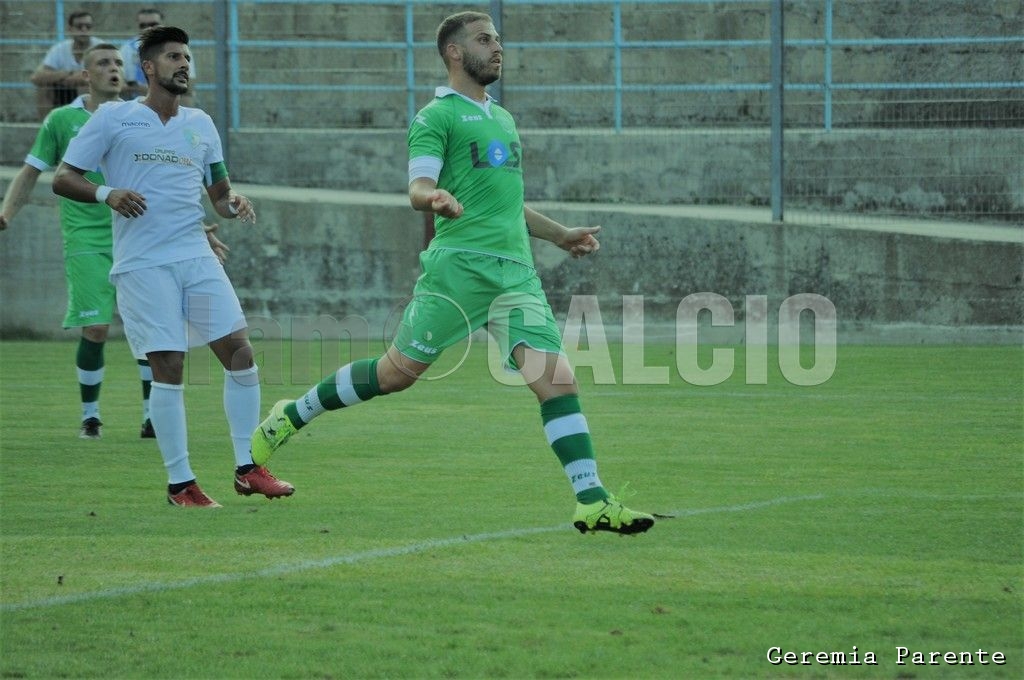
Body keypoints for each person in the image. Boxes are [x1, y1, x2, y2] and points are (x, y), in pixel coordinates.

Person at [251, 11, 655, 535]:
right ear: (455, 53)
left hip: (515, 276)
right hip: (458, 273)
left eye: (498, 39)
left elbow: (505, 204)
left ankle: (592, 501)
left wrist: (558, 234)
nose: (497, 47)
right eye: (485, 39)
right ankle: (294, 411)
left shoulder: (503, 119)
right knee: (394, 376)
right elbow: (417, 187)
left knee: (557, 382)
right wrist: (433, 197)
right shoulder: (434, 117)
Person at [53, 26, 292, 507]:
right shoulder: (114, 118)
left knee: (241, 355)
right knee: (170, 366)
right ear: (149, 68)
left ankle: (248, 467)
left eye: (188, 58)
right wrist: (107, 193)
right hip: (143, 265)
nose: (185, 65)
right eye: (174, 57)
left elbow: (219, 195)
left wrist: (233, 202)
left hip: (196, 256)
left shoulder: (201, 123)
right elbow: (63, 177)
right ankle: (180, 483)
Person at [3, 44, 156, 439]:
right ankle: (91, 415)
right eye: (104, 63)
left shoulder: (142, 116)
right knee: (97, 329)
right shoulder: (61, 120)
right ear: (85, 74)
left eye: (119, 63)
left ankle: (152, 415)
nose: (114, 69)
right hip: (85, 238)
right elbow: (31, 172)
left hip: (137, 235)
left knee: (148, 329)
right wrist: (5, 213)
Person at [30, 11, 106, 120]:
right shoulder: (60, 49)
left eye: (88, 27)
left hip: (93, 94)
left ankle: (87, 123)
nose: (84, 30)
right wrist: (68, 74)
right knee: (43, 86)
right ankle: (47, 126)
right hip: (63, 93)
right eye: (79, 26)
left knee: (85, 84)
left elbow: (102, 76)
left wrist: (74, 78)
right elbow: (36, 77)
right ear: (70, 29)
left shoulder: (100, 48)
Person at [119, 7, 197, 106]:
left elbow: (189, 89)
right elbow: (118, 86)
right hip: (134, 106)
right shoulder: (126, 49)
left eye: (153, 24)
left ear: (163, 24)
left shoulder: (179, 49)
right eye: (143, 25)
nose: (148, 29)